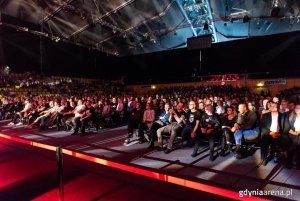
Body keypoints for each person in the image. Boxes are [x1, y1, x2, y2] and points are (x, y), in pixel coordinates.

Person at [282, 103, 300, 169]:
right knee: (296, 142)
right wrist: (292, 132)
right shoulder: (291, 116)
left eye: (299, 108)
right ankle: (296, 163)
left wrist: (298, 132)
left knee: (296, 142)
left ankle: (288, 160)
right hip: (292, 134)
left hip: (298, 135)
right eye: (296, 108)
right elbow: (287, 127)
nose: (297, 109)